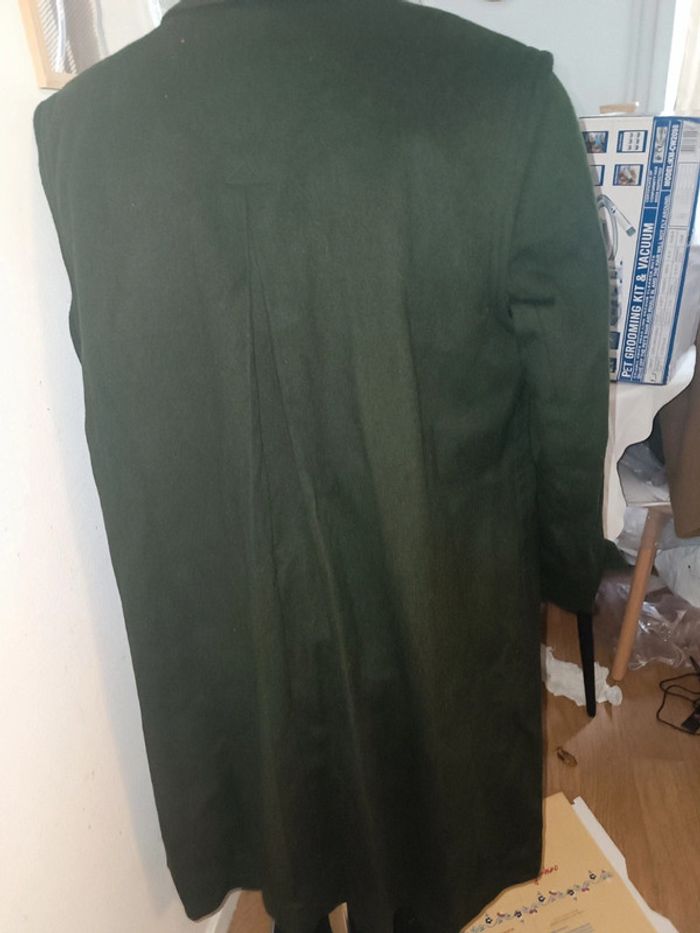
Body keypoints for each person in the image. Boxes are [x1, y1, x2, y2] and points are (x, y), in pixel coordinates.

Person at [33, 1, 609, 931]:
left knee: (286, 831)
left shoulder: (86, 128)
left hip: (232, 613)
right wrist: (560, 563)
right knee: (424, 828)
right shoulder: (503, 94)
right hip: (434, 587)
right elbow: (567, 382)